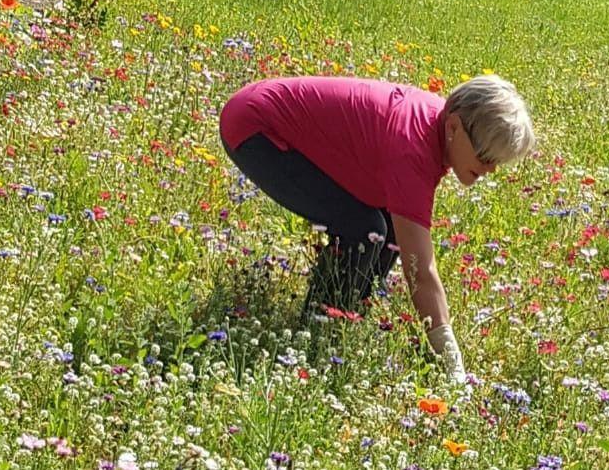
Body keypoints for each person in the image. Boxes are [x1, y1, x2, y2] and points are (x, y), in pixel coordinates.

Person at [220, 75, 535, 382]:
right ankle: (318, 335)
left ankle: (344, 320)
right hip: (256, 129)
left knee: (391, 234)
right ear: (453, 126)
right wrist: (453, 367)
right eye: (485, 156)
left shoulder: (438, 127)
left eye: (498, 162)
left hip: (266, 117)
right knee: (363, 228)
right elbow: (420, 271)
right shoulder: (412, 147)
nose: (490, 169)